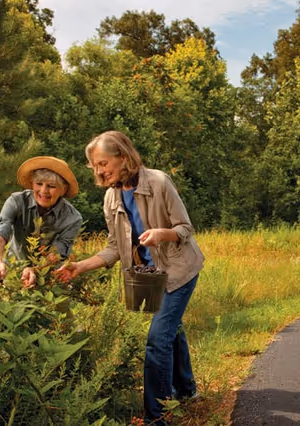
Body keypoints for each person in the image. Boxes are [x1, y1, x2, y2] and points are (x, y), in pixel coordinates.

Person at [56, 130, 205, 425]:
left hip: (179, 272)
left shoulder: (159, 182)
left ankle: (155, 417)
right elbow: (114, 247)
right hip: (150, 278)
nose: (98, 171)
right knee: (171, 329)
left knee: (156, 341)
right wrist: (80, 267)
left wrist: (162, 234)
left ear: (123, 157)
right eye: (95, 166)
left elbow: (185, 229)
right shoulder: (111, 198)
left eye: (102, 163)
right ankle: (187, 390)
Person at [0, 156, 83, 287]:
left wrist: (34, 270)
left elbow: (56, 253)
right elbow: (0, 234)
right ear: (32, 183)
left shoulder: (72, 218)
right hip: (12, 272)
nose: (44, 191)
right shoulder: (17, 201)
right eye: (39, 184)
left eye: (51, 186)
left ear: (63, 190)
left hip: (49, 278)